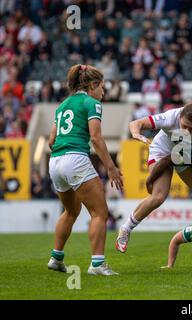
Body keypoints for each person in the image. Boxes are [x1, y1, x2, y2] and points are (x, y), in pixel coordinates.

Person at [116, 95, 192, 253]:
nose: (186, 131)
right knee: (159, 196)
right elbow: (136, 123)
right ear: (179, 117)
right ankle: (125, 230)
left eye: (191, 129)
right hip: (162, 152)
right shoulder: (170, 117)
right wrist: (136, 133)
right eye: (184, 126)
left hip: (184, 155)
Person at [47, 64, 123, 276]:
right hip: (75, 159)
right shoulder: (92, 103)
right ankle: (97, 265)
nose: (103, 93)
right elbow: (96, 139)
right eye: (102, 87)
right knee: (99, 212)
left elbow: (51, 141)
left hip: (55, 162)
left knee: (70, 211)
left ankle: (56, 258)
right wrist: (111, 167)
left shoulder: (62, 106)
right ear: (93, 85)